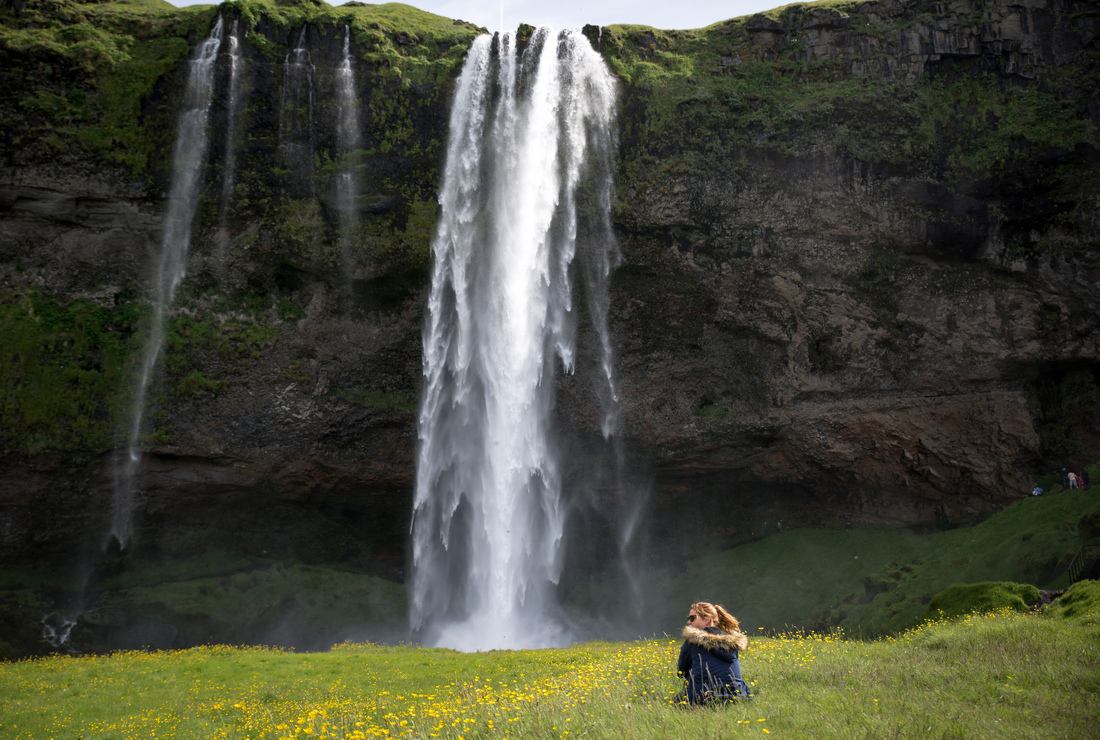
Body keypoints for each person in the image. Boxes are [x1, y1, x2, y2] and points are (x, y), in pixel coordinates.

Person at [676, 601, 751, 704]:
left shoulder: (691, 641)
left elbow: (681, 671)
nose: (689, 622)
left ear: (707, 620)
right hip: (736, 697)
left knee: (680, 695)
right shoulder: (732, 643)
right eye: (688, 619)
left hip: (703, 699)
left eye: (692, 618)